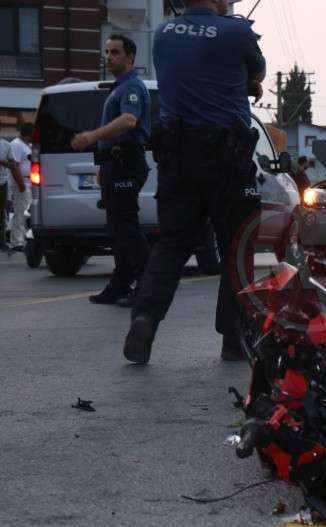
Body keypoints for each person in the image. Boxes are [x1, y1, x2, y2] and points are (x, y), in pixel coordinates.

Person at [123, 0, 266, 364]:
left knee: (171, 245)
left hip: (175, 155)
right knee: (237, 245)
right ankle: (234, 340)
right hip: (224, 157)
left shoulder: (163, 32)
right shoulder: (236, 30)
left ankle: (144, 317)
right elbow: (258, 73)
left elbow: (195, 72)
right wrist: (246, 83)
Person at [71, 34, 151, 306]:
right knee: (117, 230)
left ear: (130, 57)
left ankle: (146, 287)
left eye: (115, 52)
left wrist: (92, 136)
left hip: (126, 164)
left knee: (126, 228)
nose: (108, 57)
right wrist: (104, 164)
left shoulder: (132, 87)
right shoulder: (117, 87)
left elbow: (129, 121)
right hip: (114, 165)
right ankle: (120, 285)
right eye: (106, 51)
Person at [9, 123, 34, 252]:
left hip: (29, 184)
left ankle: (21, 239)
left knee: (26, 214)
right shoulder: (16, 145)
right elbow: (15, 166)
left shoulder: (27, 145)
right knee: (20, 213)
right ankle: (16, 242)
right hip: (22, 185)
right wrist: (22, 186)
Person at [0, 137, 17, 252]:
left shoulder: (6, 145)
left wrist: (1, 161)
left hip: (2, 182)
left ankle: (2, 243)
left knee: (1, 213)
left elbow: (13, 165)